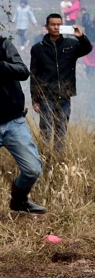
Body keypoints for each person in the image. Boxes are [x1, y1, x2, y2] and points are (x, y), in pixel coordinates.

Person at [29, 15, 93, 151]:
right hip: (46, 95)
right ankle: (45, 157)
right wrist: (34, 99)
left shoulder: (71, 44)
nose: (56, 27)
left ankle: (59, 159)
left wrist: (81, 37)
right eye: (53, 24)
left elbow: (87, 49)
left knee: (61, 128)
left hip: (64, 94)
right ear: (47, 27)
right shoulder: (38, 49)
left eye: (59, 24)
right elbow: (34, 75)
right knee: (46, 129)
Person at [1, 36, 46, 214]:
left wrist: (2, 65)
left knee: (32, 170)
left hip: (13, 120)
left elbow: (23, 71)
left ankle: (19, 201)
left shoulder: (3, 44)